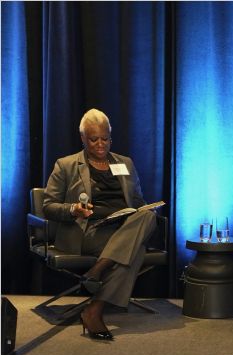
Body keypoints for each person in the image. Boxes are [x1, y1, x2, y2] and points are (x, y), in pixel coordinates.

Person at [43, 108, 157, 341]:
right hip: (88, 231)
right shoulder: (66, 165)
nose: (100, 144)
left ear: (111, 138)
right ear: (83, 138)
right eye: (94, 139)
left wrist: (143, 209)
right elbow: (48, 206)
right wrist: (74, 209)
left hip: (122, 229)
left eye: (105, 138)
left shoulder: (125, 163)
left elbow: (138, 202)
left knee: (147, 216)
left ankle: (97, 279)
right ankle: (95, 307)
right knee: (136, 250)